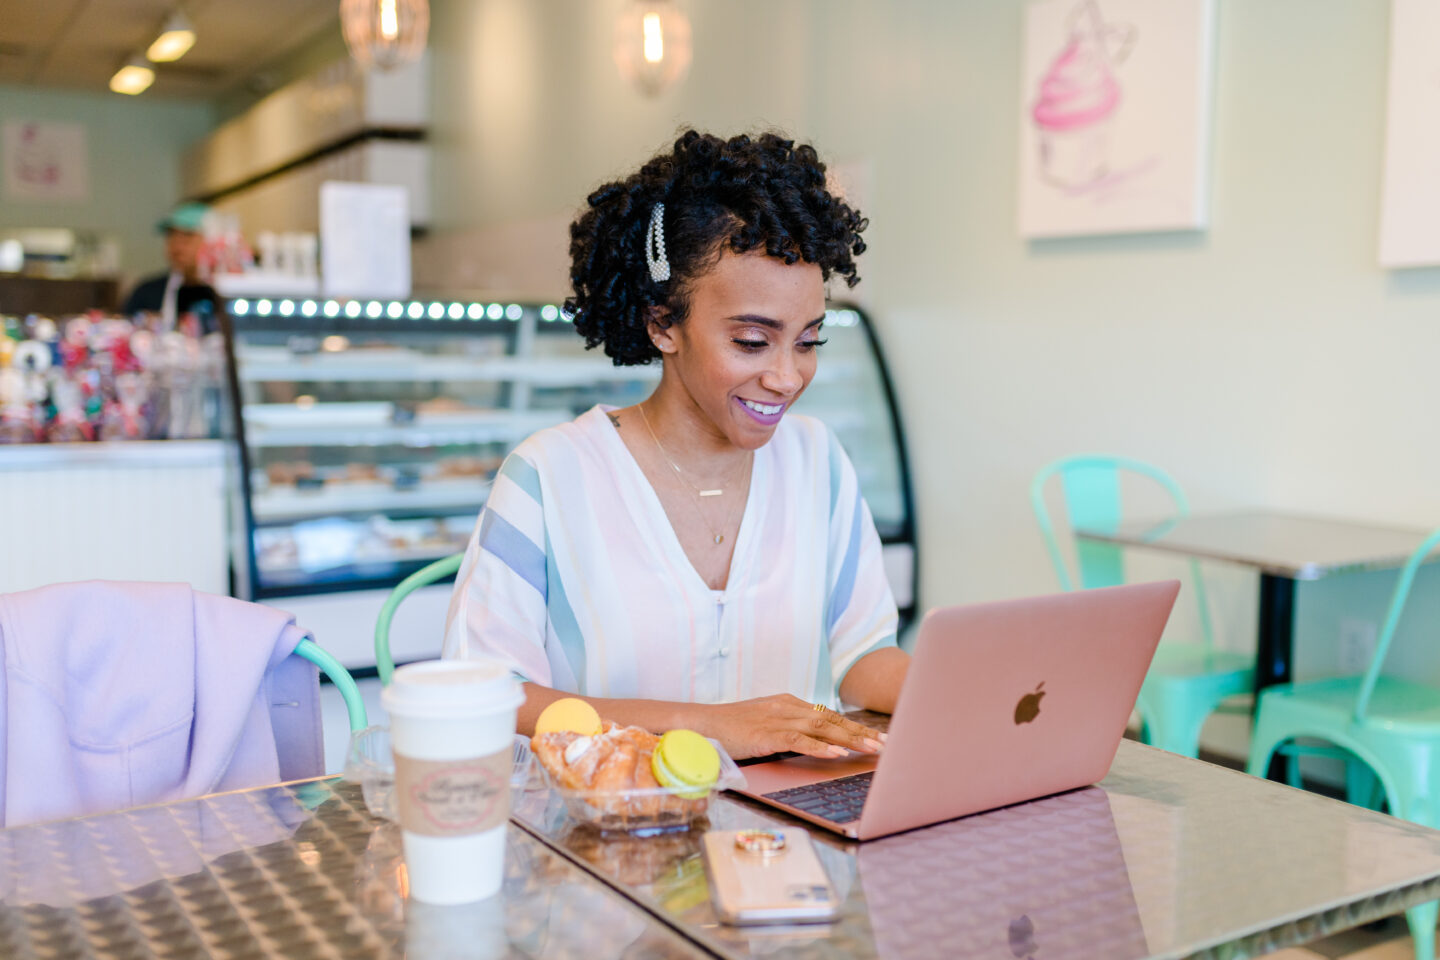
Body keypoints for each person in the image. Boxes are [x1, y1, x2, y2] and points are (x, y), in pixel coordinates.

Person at [444, 130, 910, 760]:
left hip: (787, 840)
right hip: (610, 833)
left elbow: (861, 654)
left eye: (808, 341)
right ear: (663, 323)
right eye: (751, 341)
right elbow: (488, 695)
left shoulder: (815, 458)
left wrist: (963, 692)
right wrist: (709, 726)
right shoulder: (549, 475)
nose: (786, 376)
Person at [122, 201, 219, 331]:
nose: (177, 246)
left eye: (188, 236)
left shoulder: (228, 292)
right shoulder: (146, 293)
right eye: (171, 236)